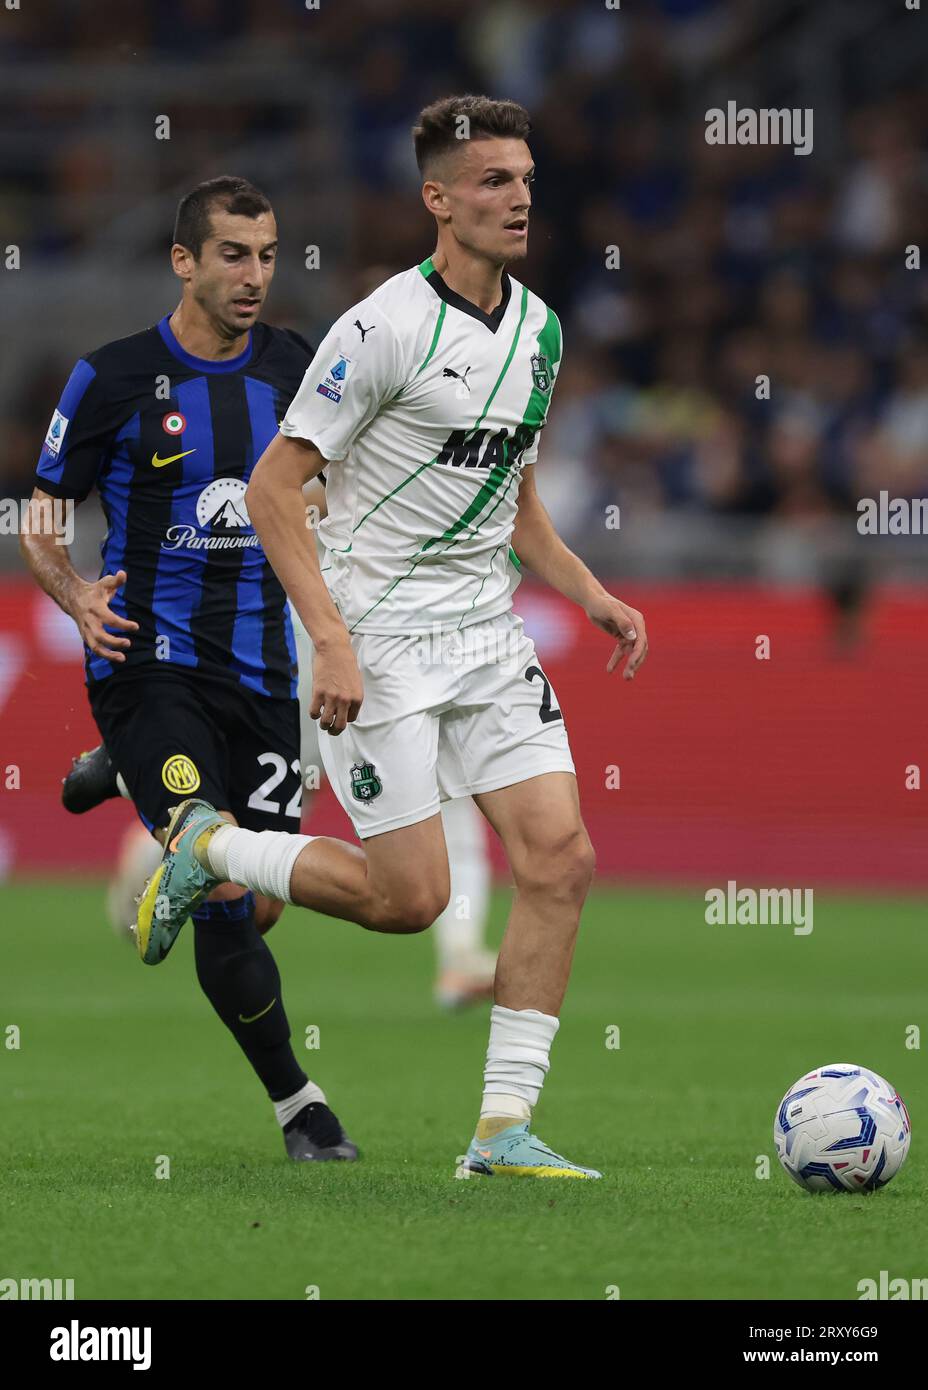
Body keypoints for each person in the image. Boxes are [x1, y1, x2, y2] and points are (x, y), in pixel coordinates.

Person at [137, 96, 648, 1179]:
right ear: (438, 199)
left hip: (484, 633)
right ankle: (209, 848)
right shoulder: (379, 330)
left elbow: (512, 501)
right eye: (492, 181)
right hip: (380, 638)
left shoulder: (542, 329)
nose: (517, 197)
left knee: (561, 859)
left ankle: (501, 1130)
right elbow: (278, 492)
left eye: (523, 177)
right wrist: (328, 637)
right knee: (410, 902)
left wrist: (590, 590)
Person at [20, 176, 356, 1162]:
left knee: (255, 901)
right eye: (233, 256)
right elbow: (42, 515)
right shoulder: (111, 377)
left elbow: (330, 477)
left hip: (265, 674)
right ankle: (300, 1105)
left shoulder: (298, 367)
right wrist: (77, 595)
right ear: (183, 261)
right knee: (214, 883)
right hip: (148, 666)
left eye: (266, 254)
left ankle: (126, 774)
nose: (255, 275)